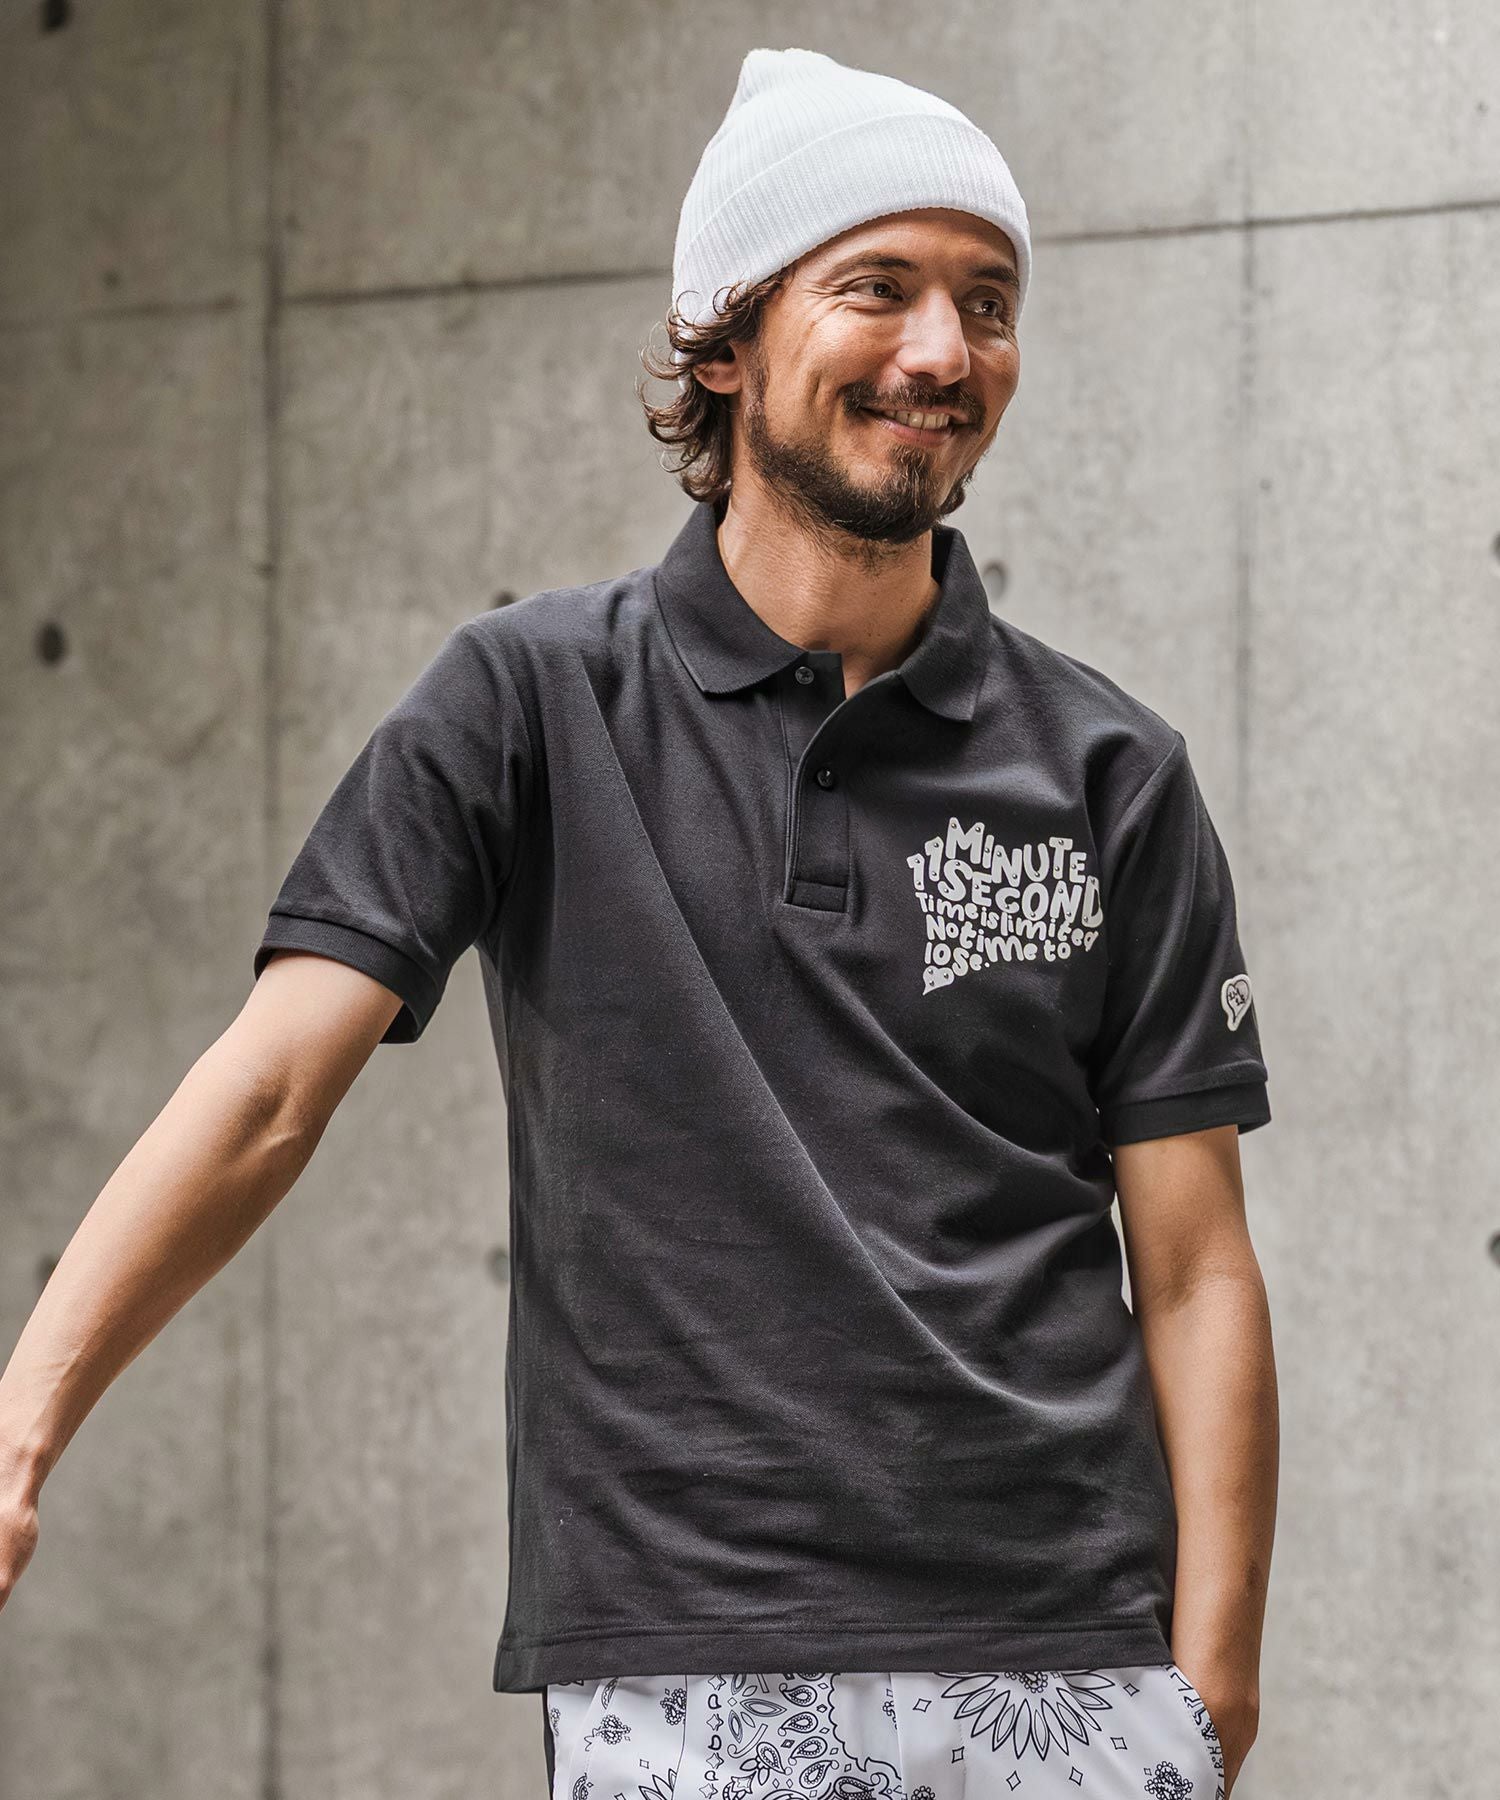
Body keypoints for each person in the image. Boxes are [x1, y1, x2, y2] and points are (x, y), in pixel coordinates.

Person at [0, 44, 1276, 1800]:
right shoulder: (528, 703)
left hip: (1073, 1667)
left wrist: (1213, 1687)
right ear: (726, 338)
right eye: (878, 287)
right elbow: (272, 1089)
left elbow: (1195, 1263)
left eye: (988, 301)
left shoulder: (1112, 766)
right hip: (692, 1668)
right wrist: (22, 1421)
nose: (944, 350)